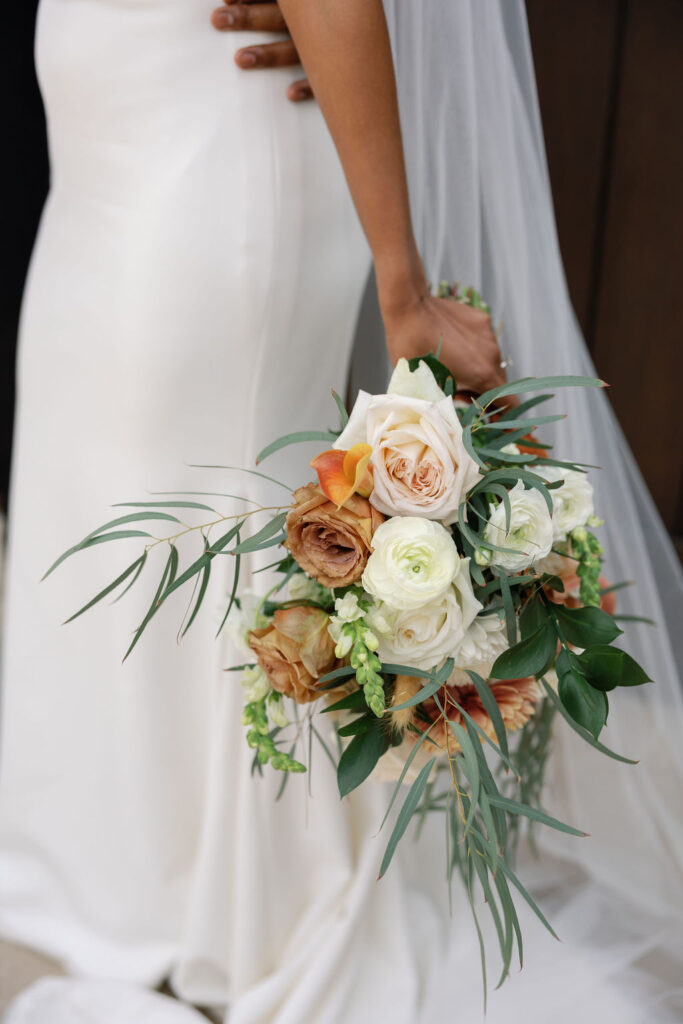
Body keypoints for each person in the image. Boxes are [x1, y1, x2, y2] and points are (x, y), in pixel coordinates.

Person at [2, 2, 682, 1023]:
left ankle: (224, 902)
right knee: (97, 495)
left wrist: (401, 287)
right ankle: (112, 868)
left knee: (186, 518)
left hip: (200, 172)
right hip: (112, 161)